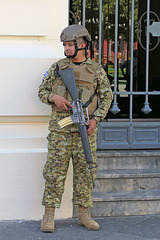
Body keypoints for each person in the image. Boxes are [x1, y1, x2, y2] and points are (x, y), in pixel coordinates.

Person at [38, 24, 113, 233]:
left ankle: (84, 214)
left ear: (82, 45)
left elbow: (107, 97)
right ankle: (49, 215)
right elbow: (42, 91)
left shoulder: (95, 70)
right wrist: (54, 97)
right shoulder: (57, 67)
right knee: (54, 173)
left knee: (85, 174)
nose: (67, 48)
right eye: (65, 45)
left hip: (85, 132)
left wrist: (96, 119)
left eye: (70, 44)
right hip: (60, 132)